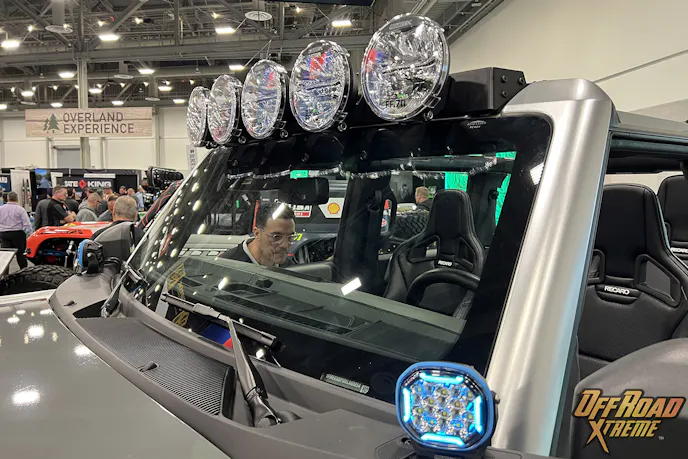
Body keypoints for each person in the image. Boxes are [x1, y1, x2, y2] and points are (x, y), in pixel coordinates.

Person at [220, 201, 296, 267]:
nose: (285, 245)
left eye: (290, 237)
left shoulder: (291, 269)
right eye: (276, 237)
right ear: (257, 233)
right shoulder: (226, 266)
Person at [0, 191, 33, 269]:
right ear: (17, 199)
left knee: (6, 256)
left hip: (4, 234)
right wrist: (31, 234)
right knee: (20, 254)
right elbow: (27, 224)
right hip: (18, 234)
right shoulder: (20, 209)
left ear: (7, 198)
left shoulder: (1, 209)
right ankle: (23, 271)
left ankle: (5, 273)